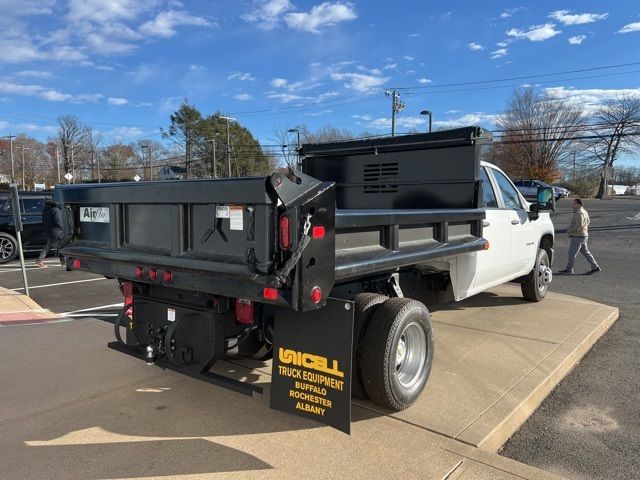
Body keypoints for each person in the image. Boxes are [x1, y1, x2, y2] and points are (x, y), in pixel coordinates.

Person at [558, 198, 601, 275]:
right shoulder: (584, 211)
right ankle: (595, 267)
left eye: (574, 203)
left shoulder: (578, 213)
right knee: (586, 252)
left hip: (578, 236)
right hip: (583, 235)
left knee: (571, 253)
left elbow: (579, 225)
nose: (573, 205)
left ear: (579, 204)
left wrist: (570, 230)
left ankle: (569, 269)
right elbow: (588, 222)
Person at [36, 200, 64, 268]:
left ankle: (63, 262)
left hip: (49, 230)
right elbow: (59, 222)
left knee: (50, 245)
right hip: (57, 231)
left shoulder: (45, 209)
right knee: (62, 246)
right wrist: (64, 229)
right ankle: (63, 262)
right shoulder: (56, 210)